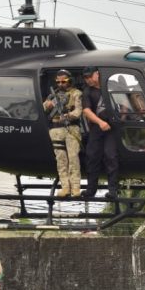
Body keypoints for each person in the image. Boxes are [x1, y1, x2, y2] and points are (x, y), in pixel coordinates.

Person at [43, 69, 84, 198]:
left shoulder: (76, 93)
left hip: (71, 128)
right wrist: (48, 105)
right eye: (58, 82)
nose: (60, 84)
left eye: (63, 81)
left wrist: (67, 116)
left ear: (69, 80)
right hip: (56, 129)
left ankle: (75, 187)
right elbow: (43, 107)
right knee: (61, 160)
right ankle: (65, 187)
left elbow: (78, 111)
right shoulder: (52, 95)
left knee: (73, 159)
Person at [81, 65, 120, 199]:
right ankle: (91, 190)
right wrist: (100, 122)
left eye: (90, 76)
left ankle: (113, 190)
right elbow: (86, 111)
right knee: (92, 157)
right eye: (86, 78)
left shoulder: (111, 85)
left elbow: (123, 100)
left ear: (97, 74)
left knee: (111, 156)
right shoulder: (87, 91)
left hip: (112, 128)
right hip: (97, 128)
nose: (88, 80)